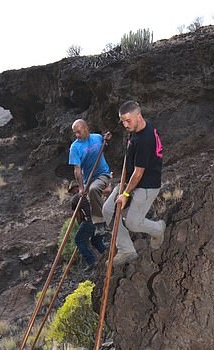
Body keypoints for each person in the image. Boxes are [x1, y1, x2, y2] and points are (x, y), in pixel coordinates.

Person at [102, 101, 165, 267]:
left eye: (128, 120)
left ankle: (158, 229)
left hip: (147, 185)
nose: (125, 124)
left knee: (133, 223)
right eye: (122, 121)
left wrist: (125, 194)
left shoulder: (145, 139)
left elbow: (139, 173)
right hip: (131, 180)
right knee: (108, 210)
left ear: (139, 116)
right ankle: (126, 249)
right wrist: (122, 187)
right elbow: (128, 161)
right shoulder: (135, 129)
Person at [68, 119, 112, 222]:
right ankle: (106, 216)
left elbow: (105, 145)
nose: (77, 135)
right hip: (88, 180)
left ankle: (100, 222)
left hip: (103, 174)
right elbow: (77, 170)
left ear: (86, 128)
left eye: (79, 131)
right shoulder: (75, 148)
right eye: (75, 133)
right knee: (88, 194)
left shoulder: (97, 137)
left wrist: (106, 140)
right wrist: (81, 188)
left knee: (93, 189)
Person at [69, 191, 107, 270]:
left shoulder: (76, 198)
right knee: (96, 241)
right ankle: (107, 255)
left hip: (90, 221)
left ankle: (91, 261)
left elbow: (78, 214)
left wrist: (81, 226)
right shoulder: (93, 193)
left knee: (79, 240)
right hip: (101, 220)